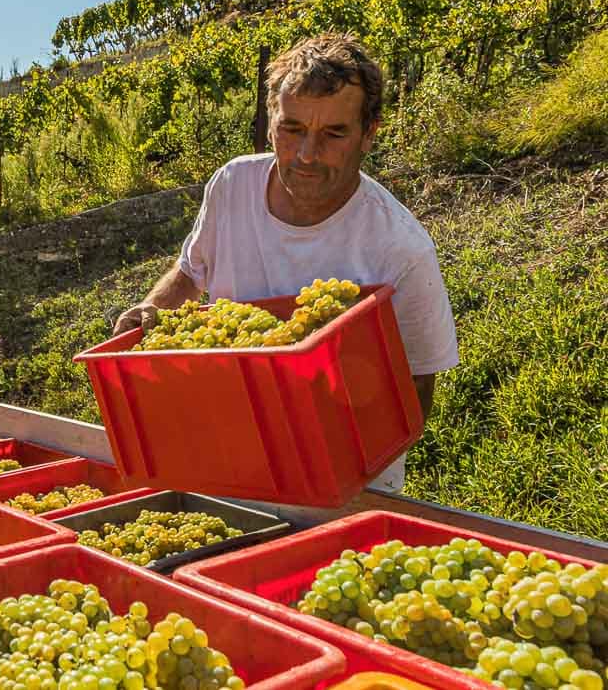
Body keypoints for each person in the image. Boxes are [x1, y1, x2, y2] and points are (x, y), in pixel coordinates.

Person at [113, 34, 458, 494]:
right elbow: (190, 274)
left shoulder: (400, 249)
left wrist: (330, 467)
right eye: (292, 129)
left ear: (368, 134)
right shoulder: (232, 185)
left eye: (334, 133)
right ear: (271, 122)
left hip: (344, 484)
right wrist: (150, 310)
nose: (307, 155)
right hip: (230, 458)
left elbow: (416, 391)